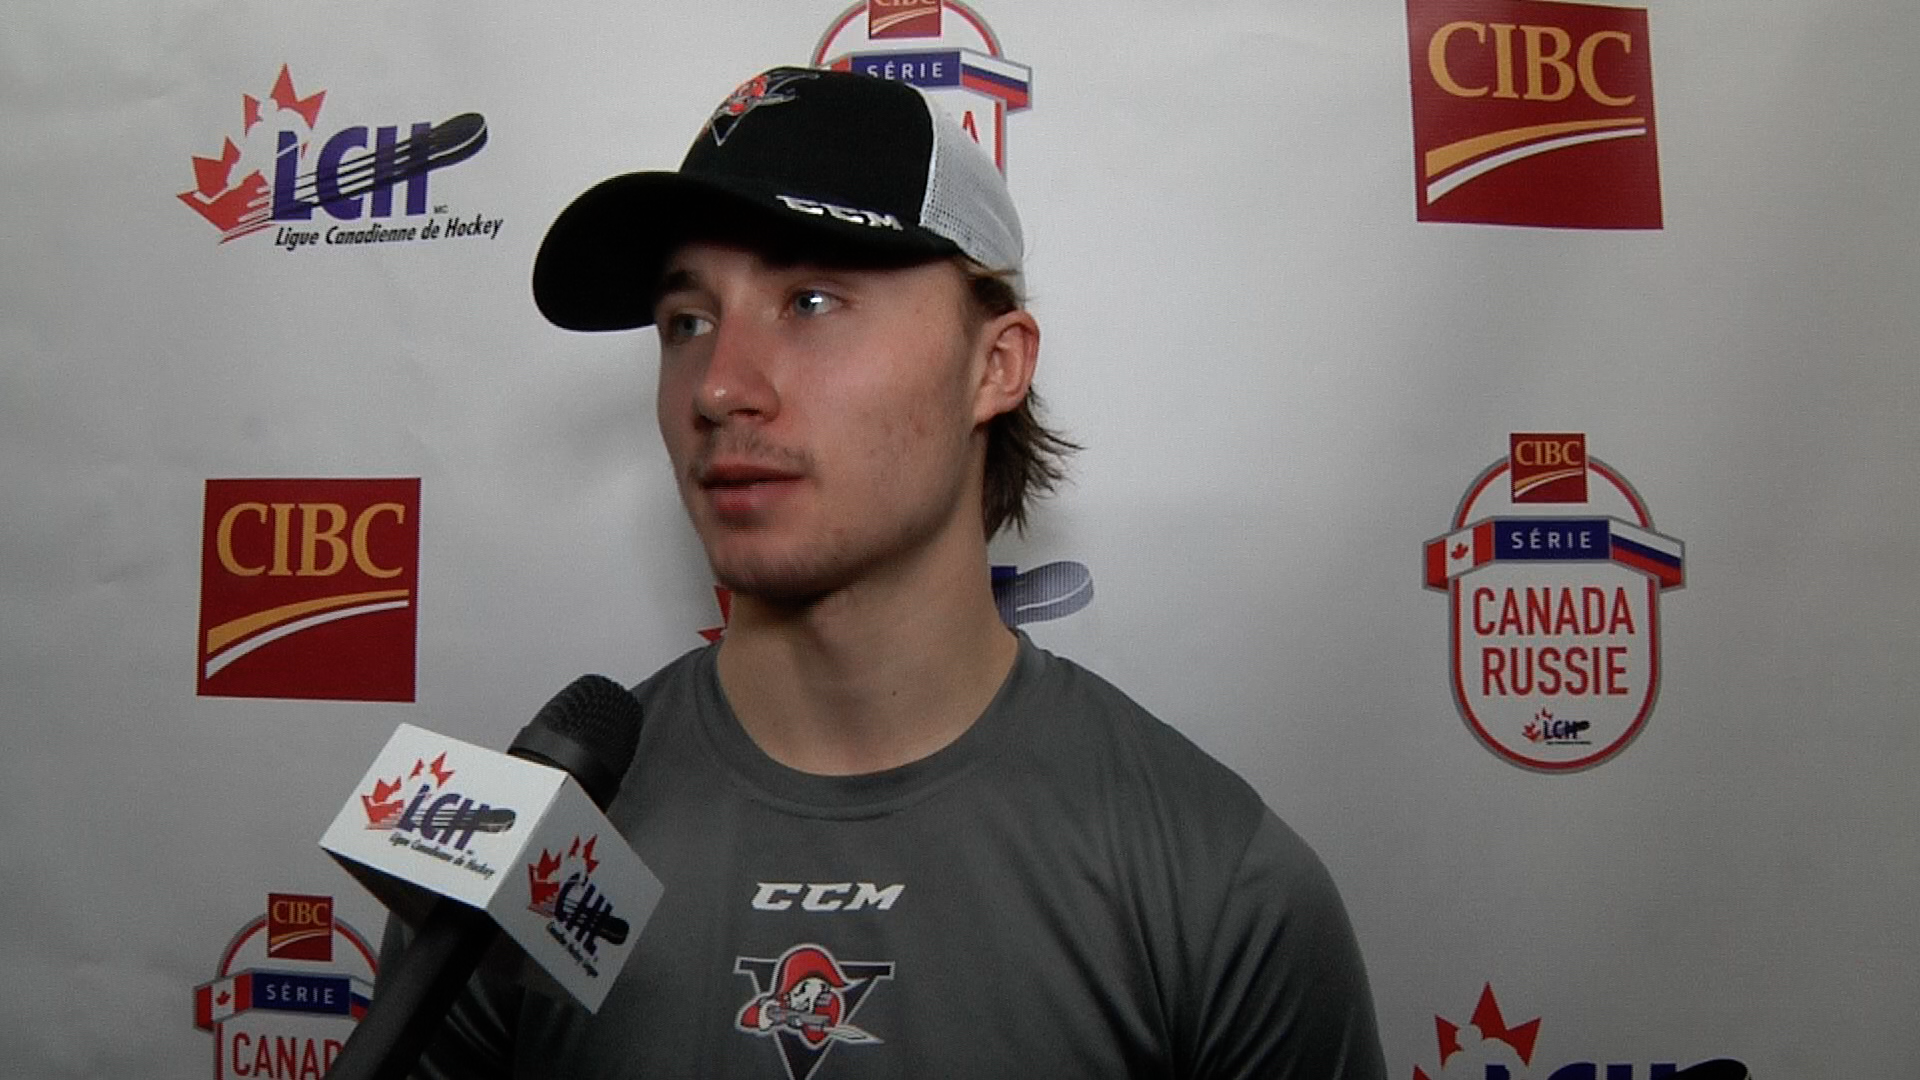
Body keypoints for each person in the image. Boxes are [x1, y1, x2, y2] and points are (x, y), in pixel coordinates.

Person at [391, 65, 1386, 1079]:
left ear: (994, 366)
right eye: (687, 322)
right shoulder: (525, 854)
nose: (719, 387)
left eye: (811, 301)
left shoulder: (1217, 883)